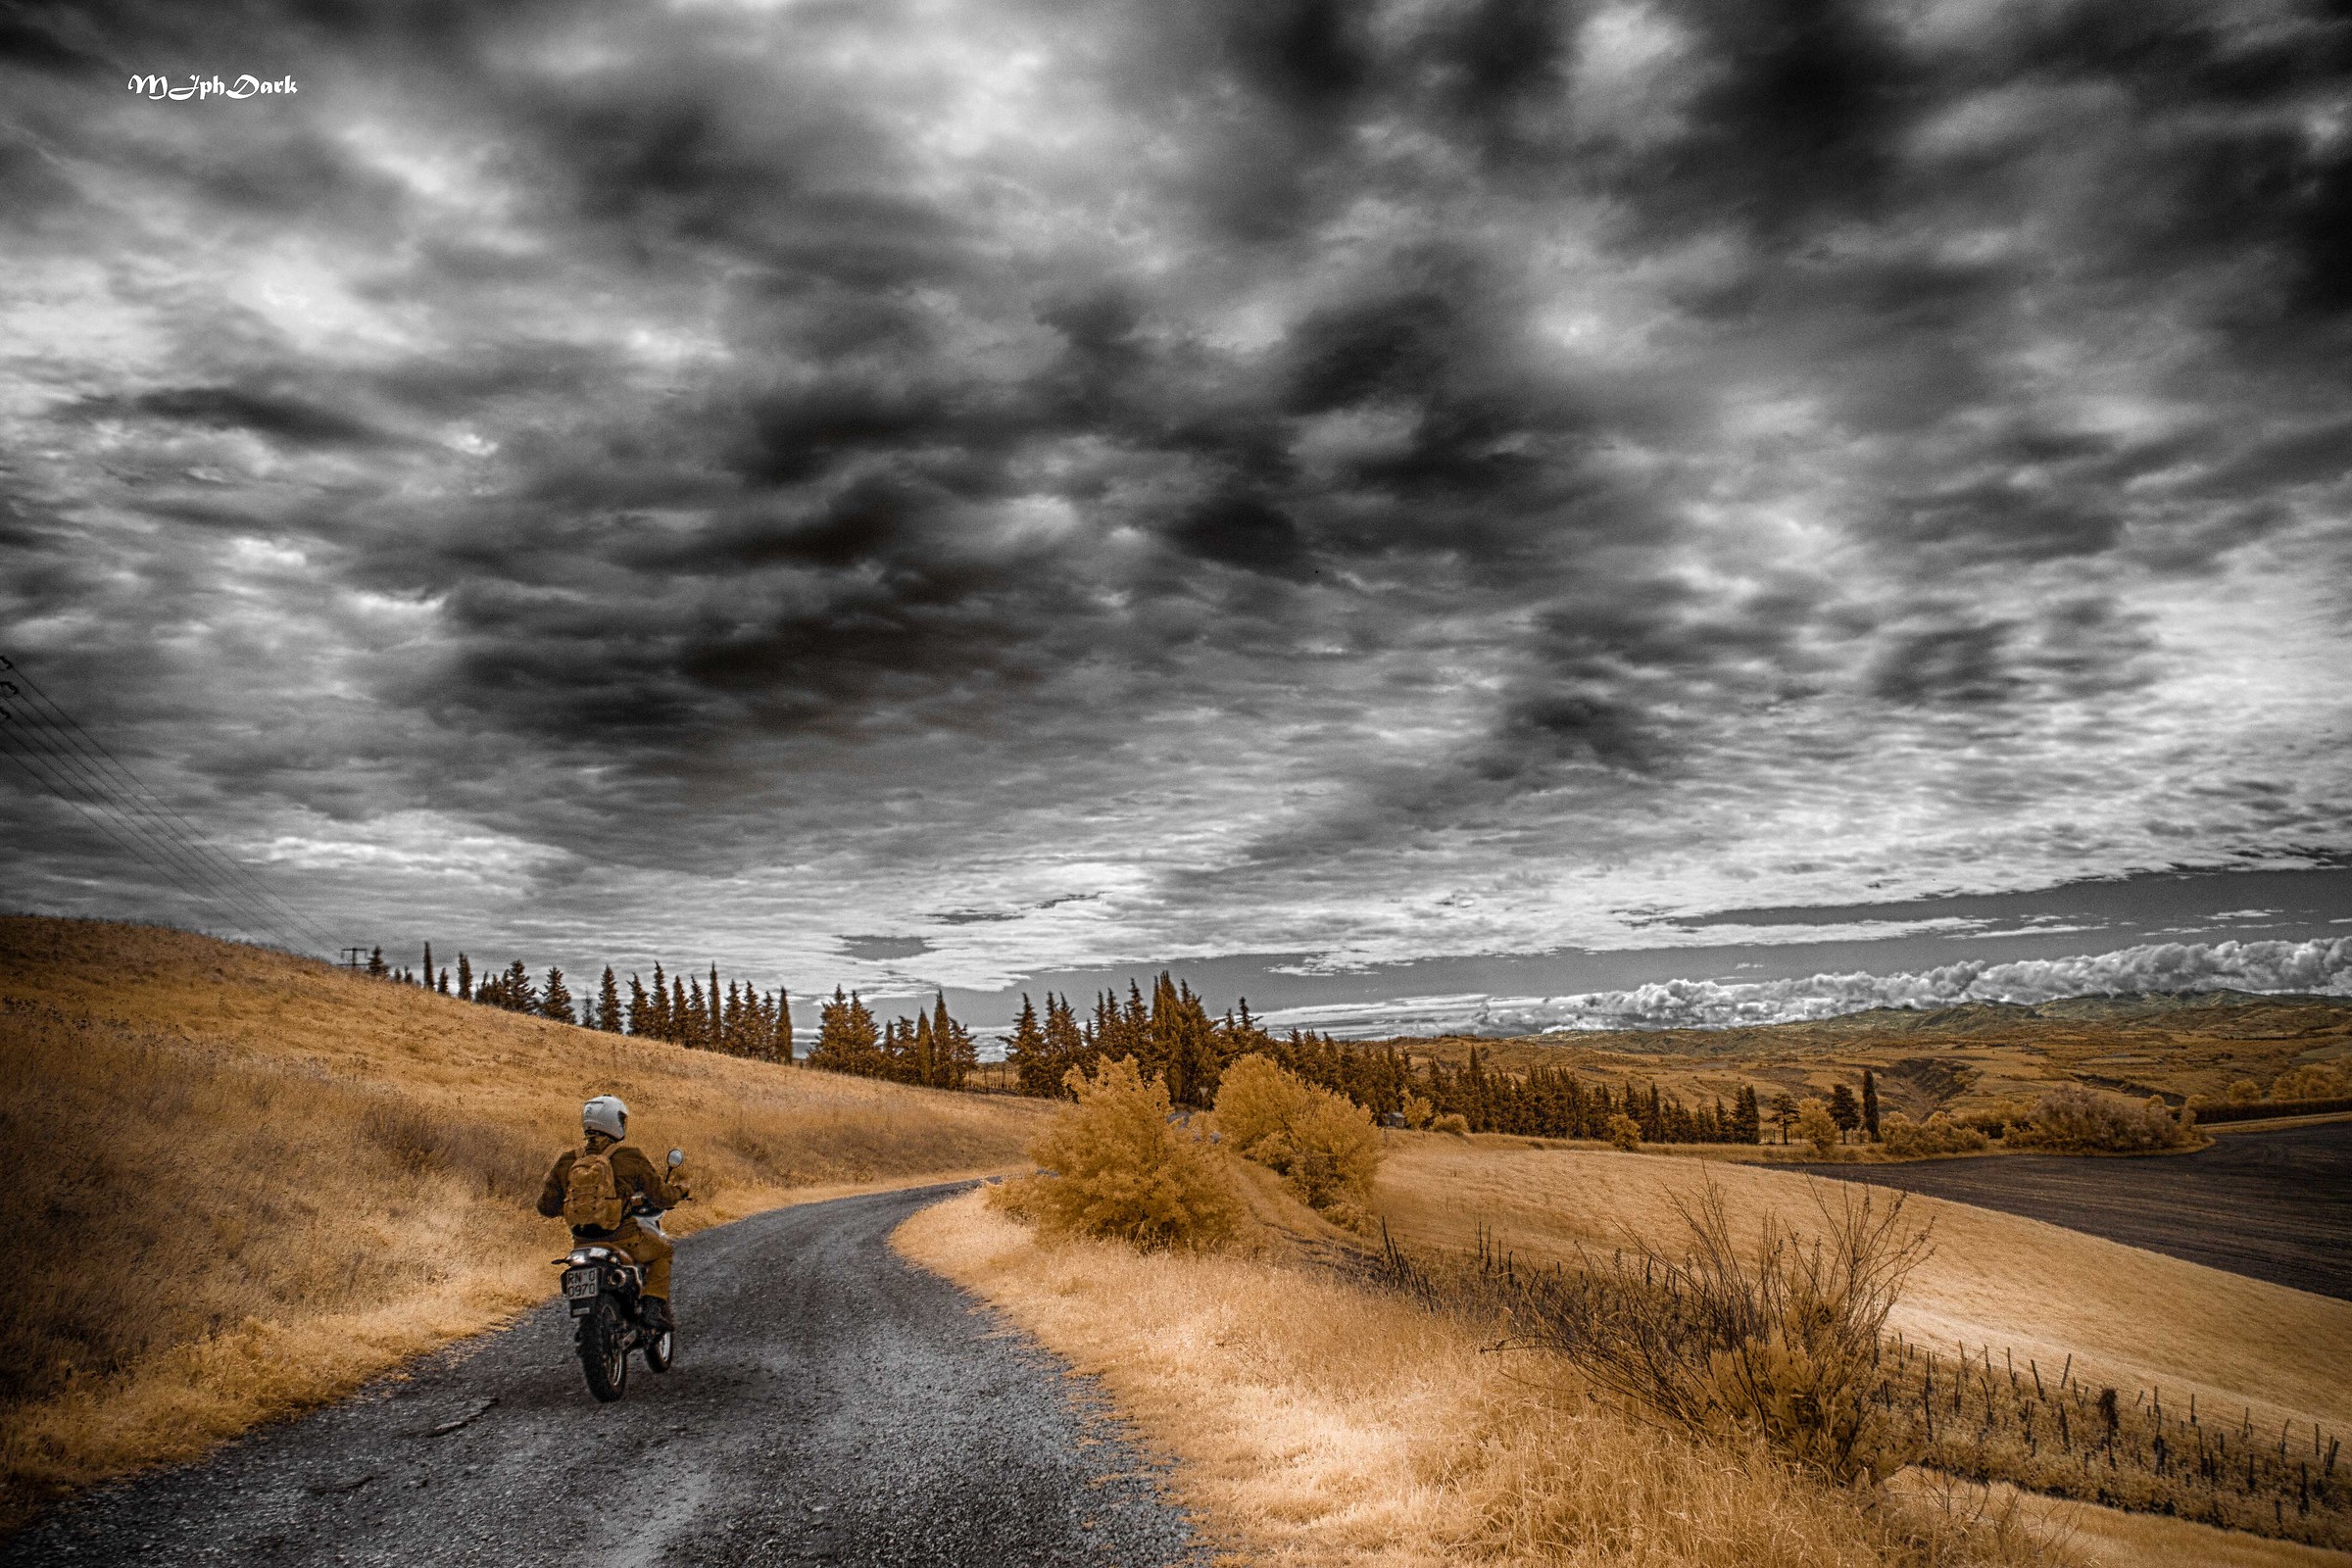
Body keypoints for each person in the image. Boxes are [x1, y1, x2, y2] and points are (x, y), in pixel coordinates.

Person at [538, 1095, 690, 1335]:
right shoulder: (629, 1156)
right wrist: (680, 1191)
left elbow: (545, 1207)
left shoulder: (568, 1160)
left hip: (582, 1244)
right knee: (663, 1252)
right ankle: (652, 1306)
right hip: (623, 1239)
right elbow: (661, 1197)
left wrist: (575, 1205)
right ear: (614, 1121)